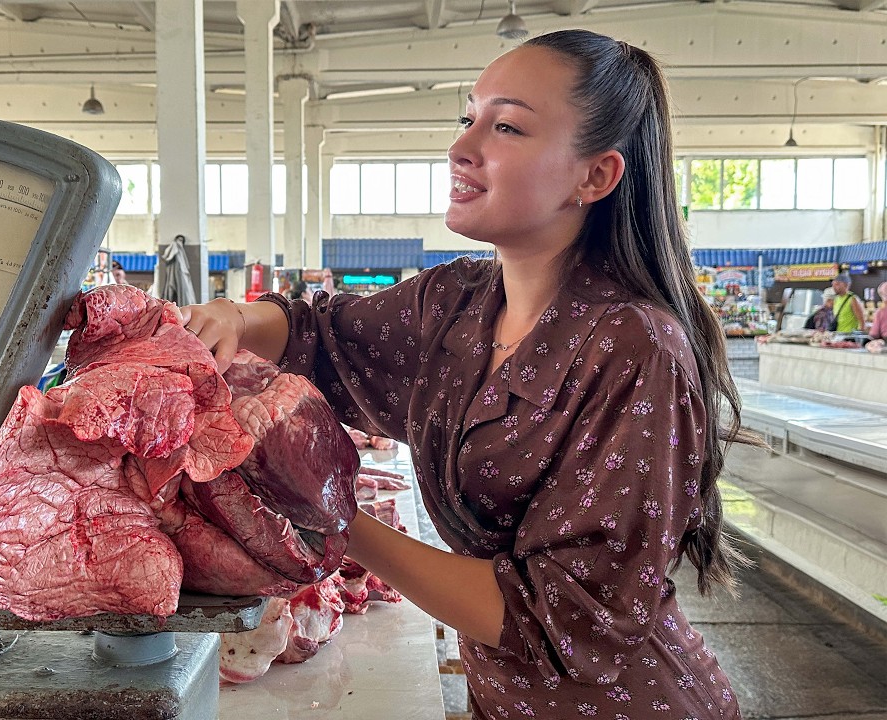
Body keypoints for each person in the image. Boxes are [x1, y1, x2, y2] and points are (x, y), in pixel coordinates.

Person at [182, 30, 746, 718]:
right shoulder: (458, 303)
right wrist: (234, 322)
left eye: (506, 125)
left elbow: (557, 618)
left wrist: (327, 511)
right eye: (468, 117)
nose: (461, 148)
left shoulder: (635, 348)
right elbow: (320, 332)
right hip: (502, 699)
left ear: (594, 176)